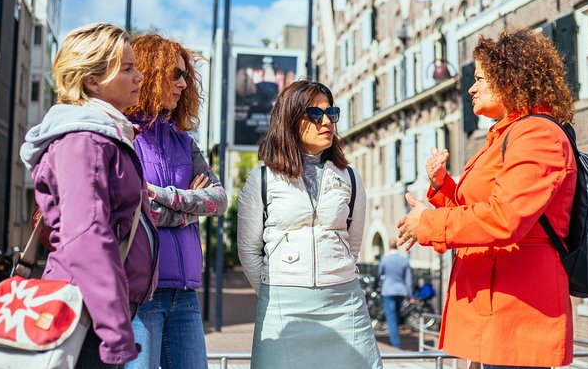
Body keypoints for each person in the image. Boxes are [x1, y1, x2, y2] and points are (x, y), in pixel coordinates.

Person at [397, 29, 577, 369]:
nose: (472, 87)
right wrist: (443, 186)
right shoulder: (509, 134)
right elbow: (480, 213)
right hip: (495, 307)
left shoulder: (536, 134)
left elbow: (504, 218)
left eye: (480, 78)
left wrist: (428, 222)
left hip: (516, 311)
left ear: (509, 78)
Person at [19, 23, 159, 368]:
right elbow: (87, 235)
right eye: (127, 68)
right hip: (85, 317)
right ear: (93, 81)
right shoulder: (84, 142)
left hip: (96, 311)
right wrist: (115, 332)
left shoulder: (105, 137)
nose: (139, 76)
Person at [237, 80, 383, 369]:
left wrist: (333, 272)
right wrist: (279, 287)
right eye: (315, 114)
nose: (327, 121)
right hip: (284, 308)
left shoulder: (350, 177)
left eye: (332, 113)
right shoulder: (262, 179)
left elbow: (352, 245)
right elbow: (248, 251)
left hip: (344, 303)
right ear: (290, 119)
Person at [123, 34, 228, 369]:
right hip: (141, 296)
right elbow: (135, 208)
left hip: (185, 296)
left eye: (186, 75)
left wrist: (168, 197)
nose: (183, 83)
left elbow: (220, 199)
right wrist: (192, 209)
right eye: (175, 74)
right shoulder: (125, 135)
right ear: (149, 74)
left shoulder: (184, 141)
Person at [376, 238, 412, 349]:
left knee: (391, 316)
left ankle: (395, 343)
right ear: (397, 246)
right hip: (401, 290)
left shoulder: (385, 259)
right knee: (397, 314)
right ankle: (396, 338)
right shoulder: (403, 260)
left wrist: (375, 285)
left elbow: (378, 274)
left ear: (389, 246)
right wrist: (410, 294)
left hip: (388, 290)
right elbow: (409, 279)